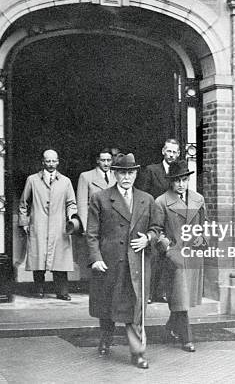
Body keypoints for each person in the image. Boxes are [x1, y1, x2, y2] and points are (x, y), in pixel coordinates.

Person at [86, 153, 166, 369]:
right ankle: (106, 337)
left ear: (136, 173)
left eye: (130, 172)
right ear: (114, 173)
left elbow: (157, 228)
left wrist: (148, 238)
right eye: (122, 173)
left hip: (137, 263)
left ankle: (138, 352)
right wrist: (95, 258)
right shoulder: (100, 198)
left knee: (135, 308)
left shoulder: (147, 199)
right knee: (107, 305)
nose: (126, 177)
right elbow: (91, 233)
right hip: (110, 262)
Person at [154, 160, 205, 352]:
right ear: (170, 182)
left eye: (184, 179)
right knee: (180, 296)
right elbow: (157, 230)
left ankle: (170, 327)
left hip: (193, 254)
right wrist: (167, 249)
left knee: (182, 297)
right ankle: (187, 338)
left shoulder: (198, 199)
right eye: (177, 181)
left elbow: (203, 225)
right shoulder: (161, 202)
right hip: (175, 255)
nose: (181, 184)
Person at [19, 149, 78, 300]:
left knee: (60, 260)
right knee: (39, 258)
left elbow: (71, 202)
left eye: (54, 161)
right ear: (43, 162)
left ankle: (62, 292)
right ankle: (39, 289)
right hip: (39, 223)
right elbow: (23, 203)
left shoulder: (65, 182)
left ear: (58, 162)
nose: (51, 164)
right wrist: (24, 222)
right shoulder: (32, 180)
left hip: (59, 225)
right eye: (48, 161)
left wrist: (71, 217)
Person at [137, 138, 181, 303]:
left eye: (174, 152)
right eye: (168, 151)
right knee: (153, 257)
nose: (171, 155)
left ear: (178, 154)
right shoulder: (151, 170)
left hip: (172, 220)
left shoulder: (180, 173)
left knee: (168, 256)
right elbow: (143, 195)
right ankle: (148, 293)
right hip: (155, 219)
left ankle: (161, 292)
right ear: (163, 151)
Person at [77, 148, 115, 229]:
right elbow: (82, 205)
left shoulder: (117, 176)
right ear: (97, 160)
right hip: (95, 223)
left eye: (109, 160)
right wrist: (85, 226)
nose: (106, 164)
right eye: (103, 160)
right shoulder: (86, 176)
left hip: (114, 225)